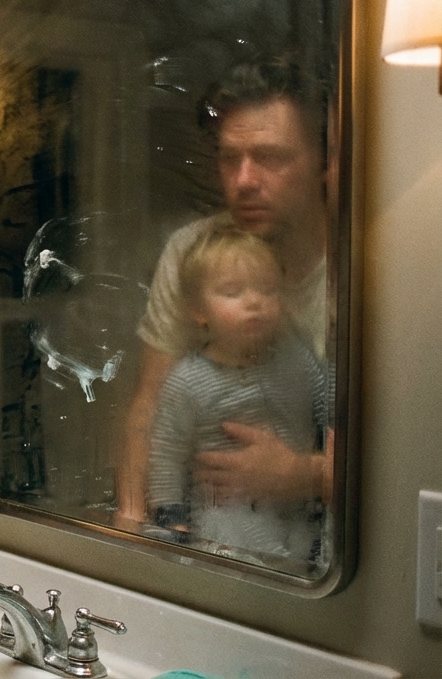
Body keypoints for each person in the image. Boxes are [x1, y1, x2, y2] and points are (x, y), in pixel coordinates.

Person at [117, 57, 335, 528]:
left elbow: (409, 455)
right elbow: (149, 406)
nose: (244, 181)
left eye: (271, 158)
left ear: (324, 162)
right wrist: (132, 530)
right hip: (214, 532)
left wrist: (306, 474)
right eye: (229, 158)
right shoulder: (194, 251)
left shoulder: (363, 267)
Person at [145, 227, 330, 561]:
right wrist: (173, 525)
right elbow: (166, 458)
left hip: (301, 516)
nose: (254, 302)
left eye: (267, 289)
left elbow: (329, 414)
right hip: (226, 523)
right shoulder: (188, 381)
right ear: (199, 310)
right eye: (233, 292)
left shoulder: (297, 359)